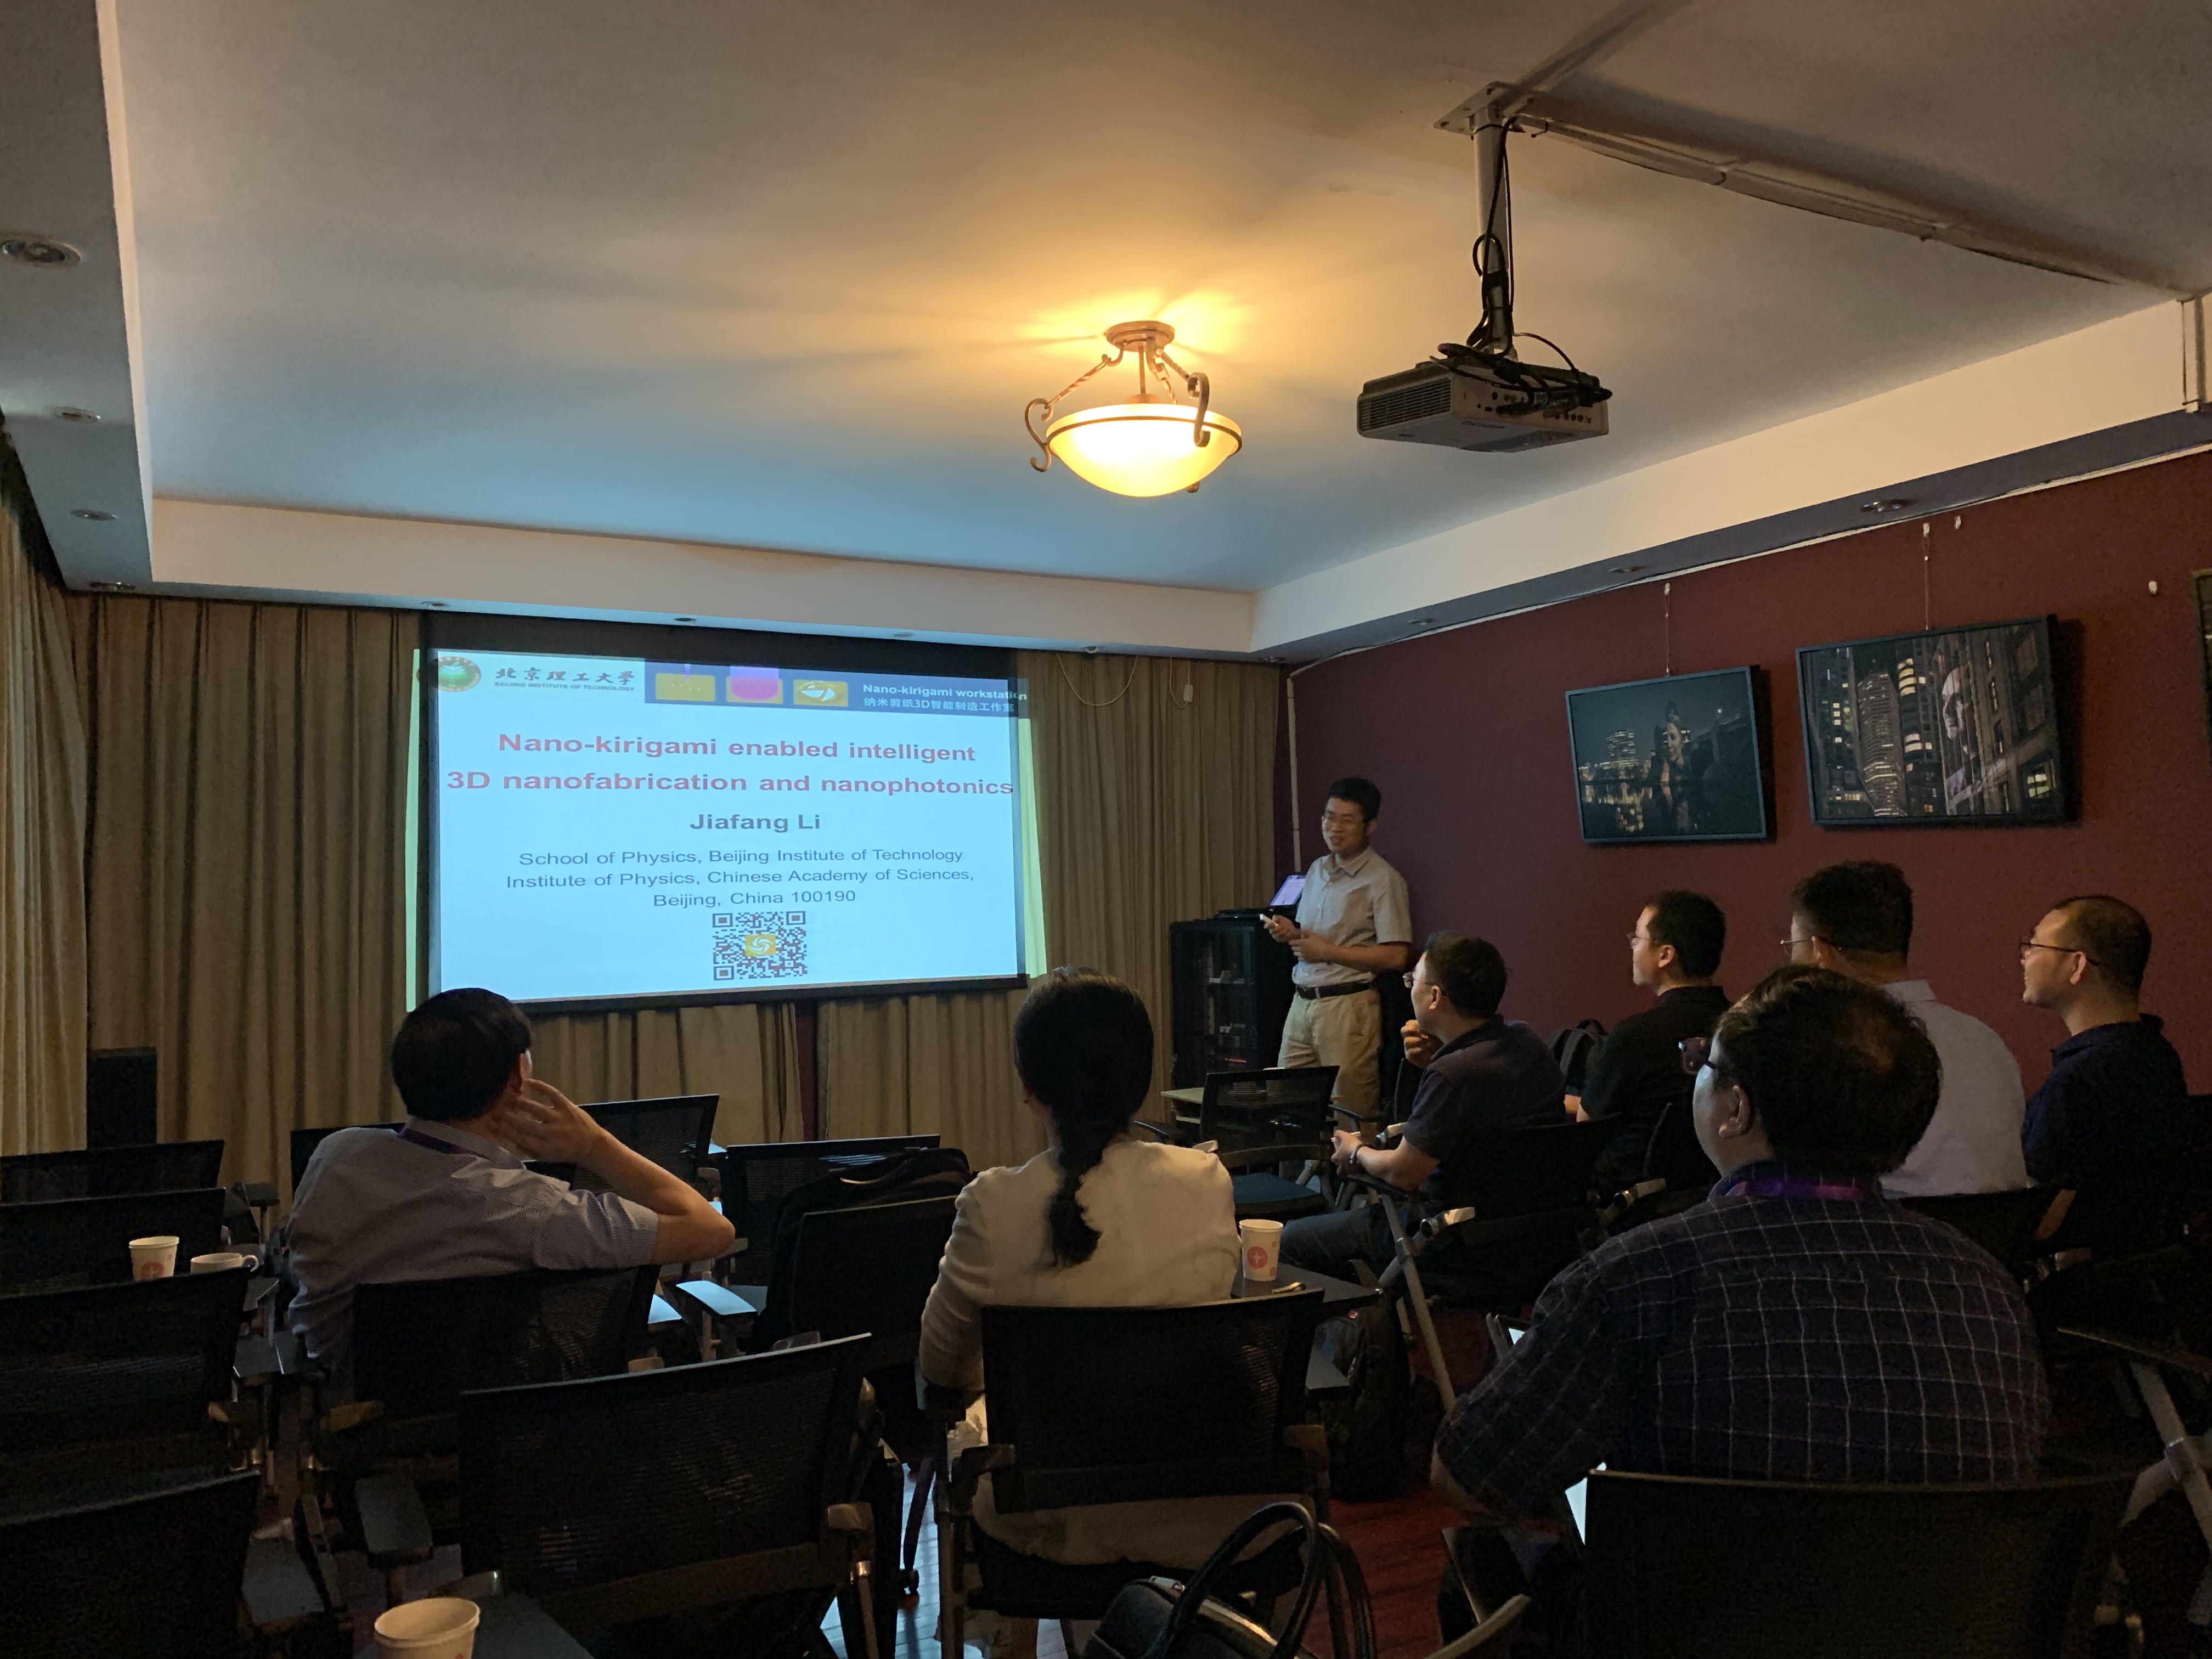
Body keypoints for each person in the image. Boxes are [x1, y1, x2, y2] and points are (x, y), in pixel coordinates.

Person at [1432, 967, 2049, 1654]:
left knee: (1480, 1564)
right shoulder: (1987, 1286)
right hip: (1944, 1632)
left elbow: (1470, 1479)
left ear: (1736, 1110)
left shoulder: (1636, 1276)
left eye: (1703, 1062)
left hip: (1691, 1631)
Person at [917, 968, 1254, 1568]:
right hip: (1209, 1511)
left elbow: (940, 1369)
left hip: (1054, 1523)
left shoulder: (993, 1204)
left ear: (1028, 1083)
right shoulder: (1207, 1180)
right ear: (1140, 1079)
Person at [286, 988, 733, 1381]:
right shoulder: (531, 1212)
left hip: (350, 1415)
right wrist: (595, 1145)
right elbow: (711, 1230)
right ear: (518, 1078)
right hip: (504, 1424)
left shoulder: (334, 1155)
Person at [1279, 933, 1564, 1280]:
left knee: (1289, 1240)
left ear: (1435, 997)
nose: (1409, 988)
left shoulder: (1453, 1075)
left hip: (1446, 1241)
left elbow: (1403, 1173)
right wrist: (1432, 1063)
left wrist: (1356, 1153)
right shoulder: (1527, 1040)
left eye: (1413, 980)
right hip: (1532, 1240)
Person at [1785, 860, 2028, 1197]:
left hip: (1891, 1228)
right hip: (2004, 1229)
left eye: (1792, 947)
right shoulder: (1985, 1039)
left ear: (1820, 952)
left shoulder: (1830, 1049)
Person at [2021, 895, 2197, 1252]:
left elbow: (2042, 1221)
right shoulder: (2158, 1056)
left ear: (2077, 965)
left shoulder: (2078, 1080)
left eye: (2036, 945)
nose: (2025, 958)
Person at [1265, 777, 1414, 1126]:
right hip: (1302, 1002)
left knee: (1351, 1114)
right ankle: (1301, 1167)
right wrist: (1291, 933)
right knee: (1289, 1108)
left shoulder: (1383, 879)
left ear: (1370, 826)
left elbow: (1397, 956)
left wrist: (1327, 951)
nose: (1334, 828)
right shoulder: (1317, 870)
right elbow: (1315, 939)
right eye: (1329, 817)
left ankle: (1358, 1166)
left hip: (1349, 1006)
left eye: (1347, 820)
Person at [1575, 890, 1731, 1192]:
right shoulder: (1740, 1024)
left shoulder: (1637, 1034)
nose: (1633, 947)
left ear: (1665, 955)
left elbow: (1587, 1125)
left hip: (1628, 1198)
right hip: (1710, 1192)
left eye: (1638, 938)